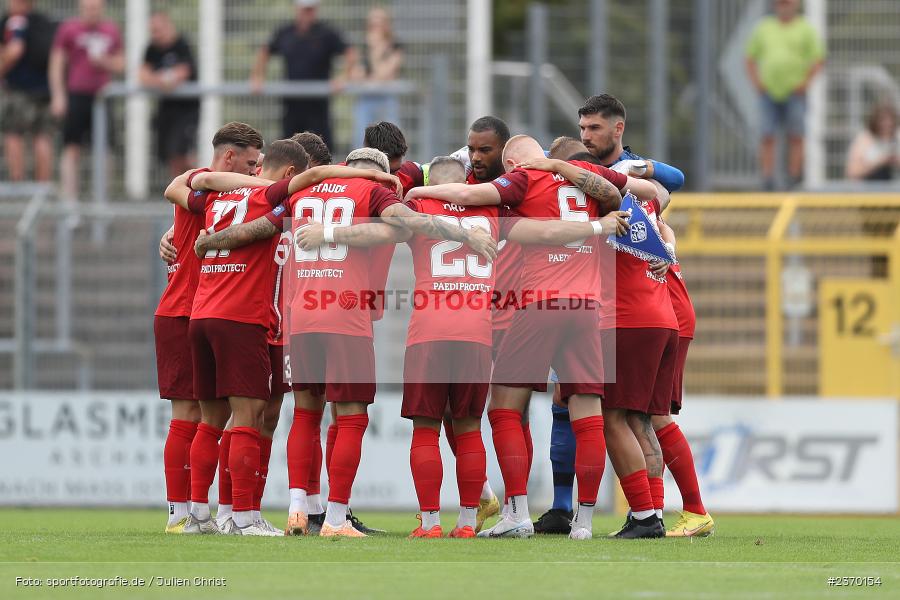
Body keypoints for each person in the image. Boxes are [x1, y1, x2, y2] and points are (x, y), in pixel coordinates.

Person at [407, 136, 650, 539]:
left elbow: (468, 195)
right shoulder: (588, 175)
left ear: (515, 163)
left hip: (540, 303)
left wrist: (420, 190)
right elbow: (646, 191)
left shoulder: (522, 181)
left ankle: (516, 513)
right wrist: (567, 175)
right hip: (587, 308)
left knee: (504, 408)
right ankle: (584, 522)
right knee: (588, 415)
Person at [653, 219, 715, 537]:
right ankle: (651, 513)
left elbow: (666, 193)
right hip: (669, 312)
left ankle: (695, 510)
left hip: (667, 315)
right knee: (646, 416)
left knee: (655, 416)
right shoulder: (647, 211)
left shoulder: (631, 206)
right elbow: (668, 228)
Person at [49, 0, 123, 208]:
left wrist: (104, 61)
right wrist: (58, 95)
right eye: (88, 8)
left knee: (104, 150)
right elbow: (57, 63)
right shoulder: (68, 29)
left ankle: (101, 201)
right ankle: (70, 203)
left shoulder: (111, 30)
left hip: (103, 97)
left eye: (96, 8)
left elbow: (121, 63)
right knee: (71, 148)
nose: (92, 12)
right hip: (77, 95)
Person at [745, 0, 824, 190]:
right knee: (767, 135)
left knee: (796, 135)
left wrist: (805, 84)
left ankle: (794, 177)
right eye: (781, 3)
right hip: (768, 92)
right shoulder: (764, 27)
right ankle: (767, 179)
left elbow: (818, 59)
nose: (784, 6)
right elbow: (750, 58)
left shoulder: (805, 28)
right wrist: (757, 83)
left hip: (795, 92)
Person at [251, 0, 353, 145]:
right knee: (289, 147)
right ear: (296, 9)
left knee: (321, 148)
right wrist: (257, 77)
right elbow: (264, 52)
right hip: (292, 105)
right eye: (304, 9)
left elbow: (350, 53)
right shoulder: (285, 32)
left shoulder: (326, 33)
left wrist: (343, 78)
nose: (307, 14)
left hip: (318, 106)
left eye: (310, 9)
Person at [139, 11, 200, 178]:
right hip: (165, 109)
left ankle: (204, 184)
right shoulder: (152, 48)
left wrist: (161, 79)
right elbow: (143, 76)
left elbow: (183, 72)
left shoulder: (182, 44)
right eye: (152, 31)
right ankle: (182, 190)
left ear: (168, 26)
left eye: (158, 30)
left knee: (182, 154)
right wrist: (163, 79)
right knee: (171, 155)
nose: (155, 35)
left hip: (187, 110)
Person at [1, 0, 55, 182]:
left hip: (20, 91)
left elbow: (15, 50)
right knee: (42, 137)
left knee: (13, 134)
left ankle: (18, 186)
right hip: (45, 91)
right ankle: (42, 188)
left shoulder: (15, 21)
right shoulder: (43, 21)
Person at [351, 7, 403, 148]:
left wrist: (376, 51)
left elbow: (384, 74)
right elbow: (356, 75)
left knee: (391, 141)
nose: (376, 28)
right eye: (373, 24)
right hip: (366, 99)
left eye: (380, 23)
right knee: (361, 141)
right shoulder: (363, 47)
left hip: (386, 99)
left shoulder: (395, 46)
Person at [845, 103, 899, 181]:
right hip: (870, 186)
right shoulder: (864, 139)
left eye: (890, 120)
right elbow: (852, 172)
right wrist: (880, 162)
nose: (887, 124)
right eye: (883, 120)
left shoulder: (897, 137)